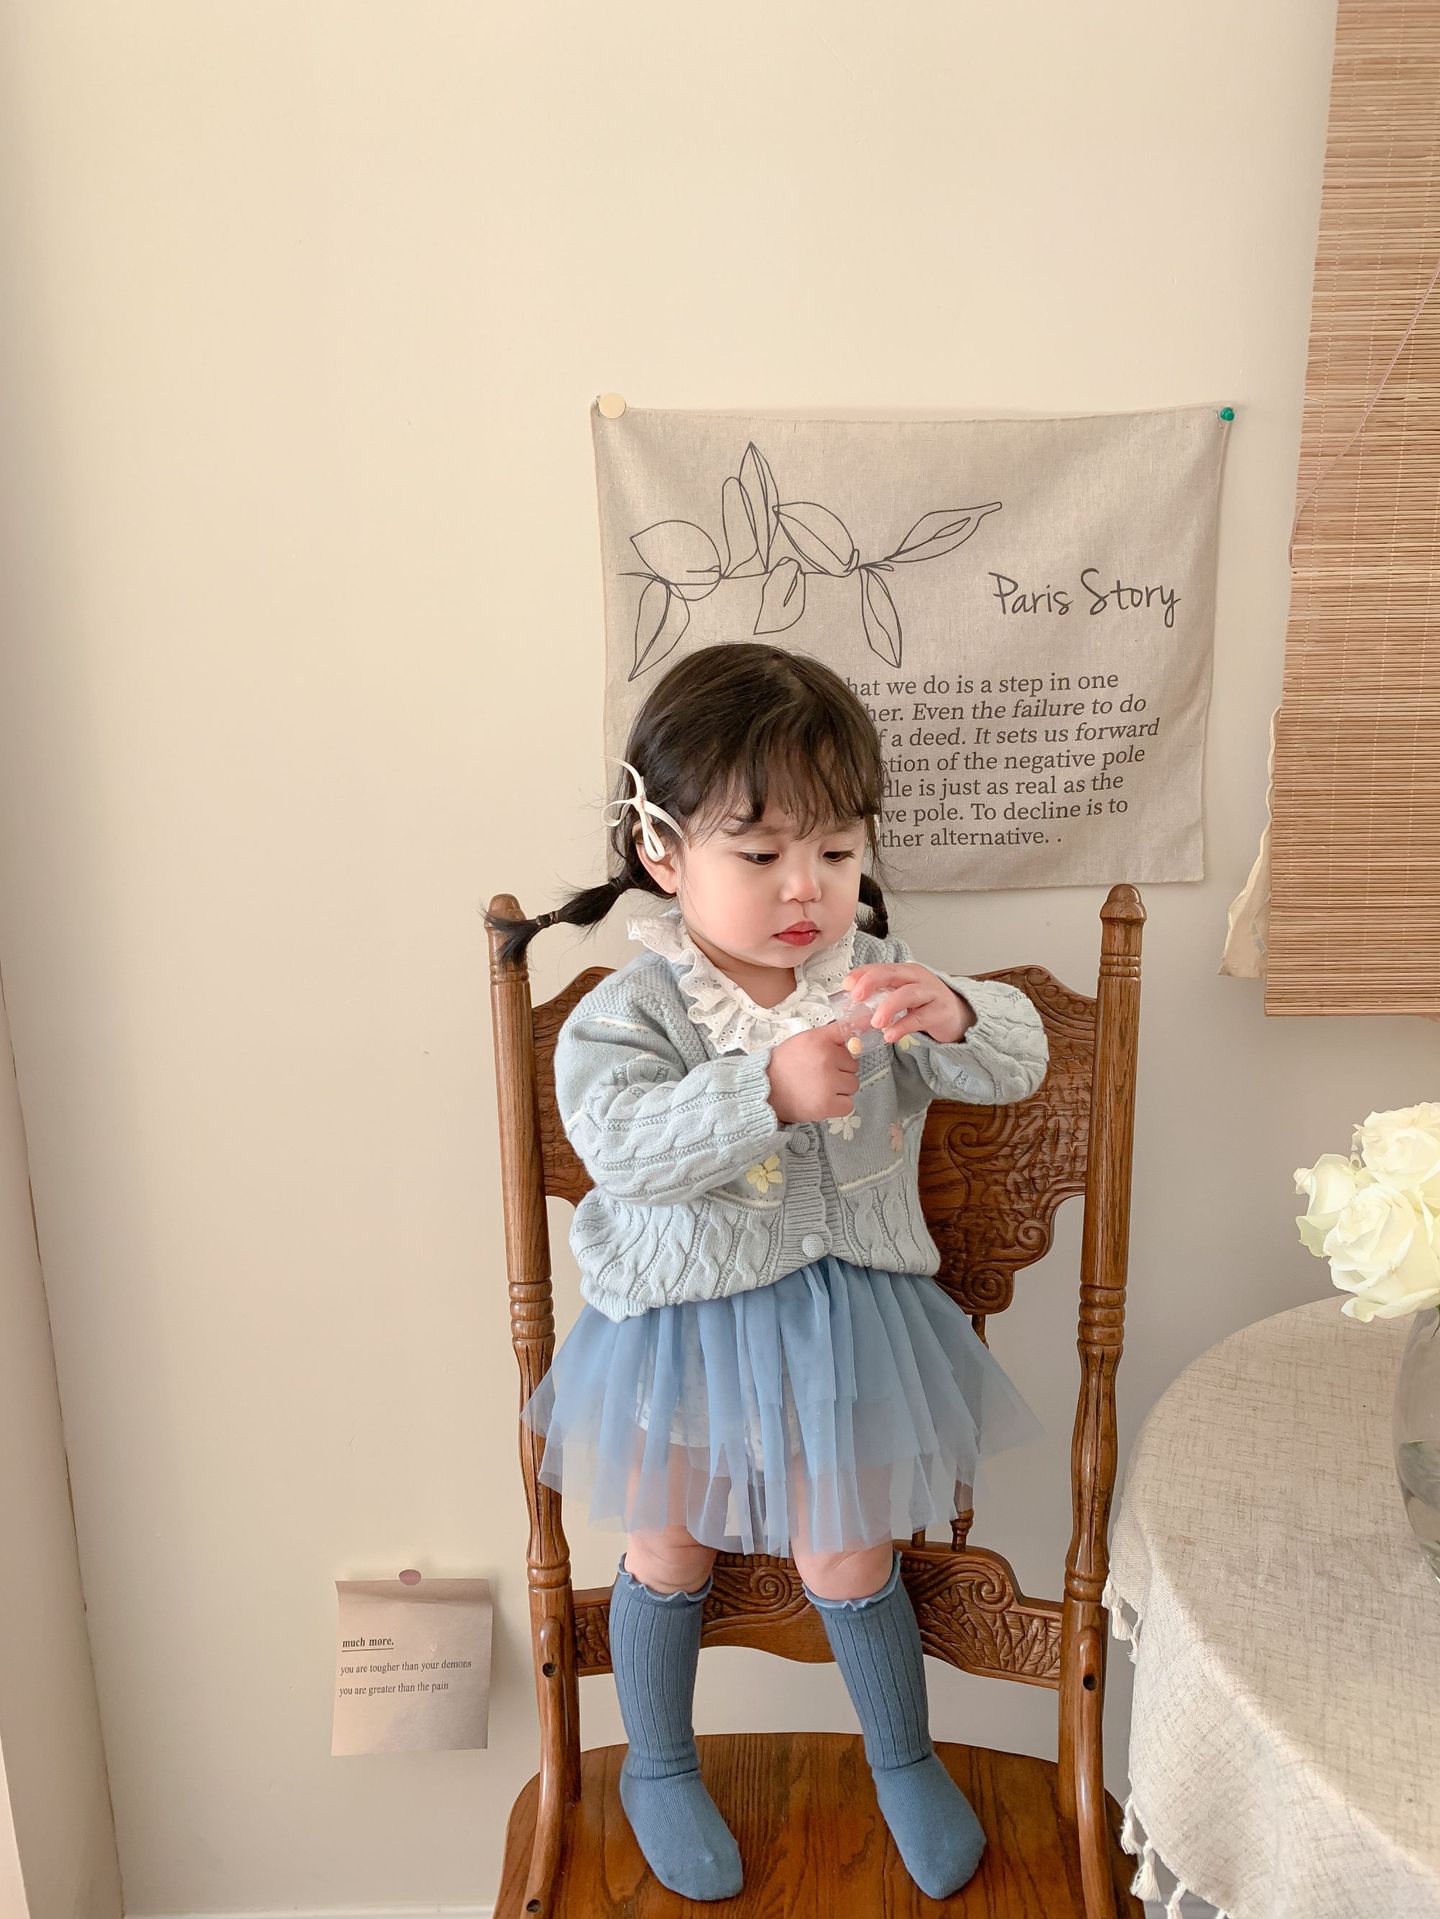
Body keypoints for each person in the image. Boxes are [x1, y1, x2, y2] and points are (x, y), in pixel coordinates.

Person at [485, 642, 1048, 1903]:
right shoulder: (634, 1008)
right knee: (667, 1545)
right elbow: (623, 1145)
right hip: (677, 1326)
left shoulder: (872, 979)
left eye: (837, 850)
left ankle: (902, 1756)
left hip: (850, 1325)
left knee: (851, 1554)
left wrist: (957, 1007)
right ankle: (660, 1762)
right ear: (663, 851)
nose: (807, 885)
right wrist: (765, 1090)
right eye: (760, 854)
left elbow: (1016, 1061)